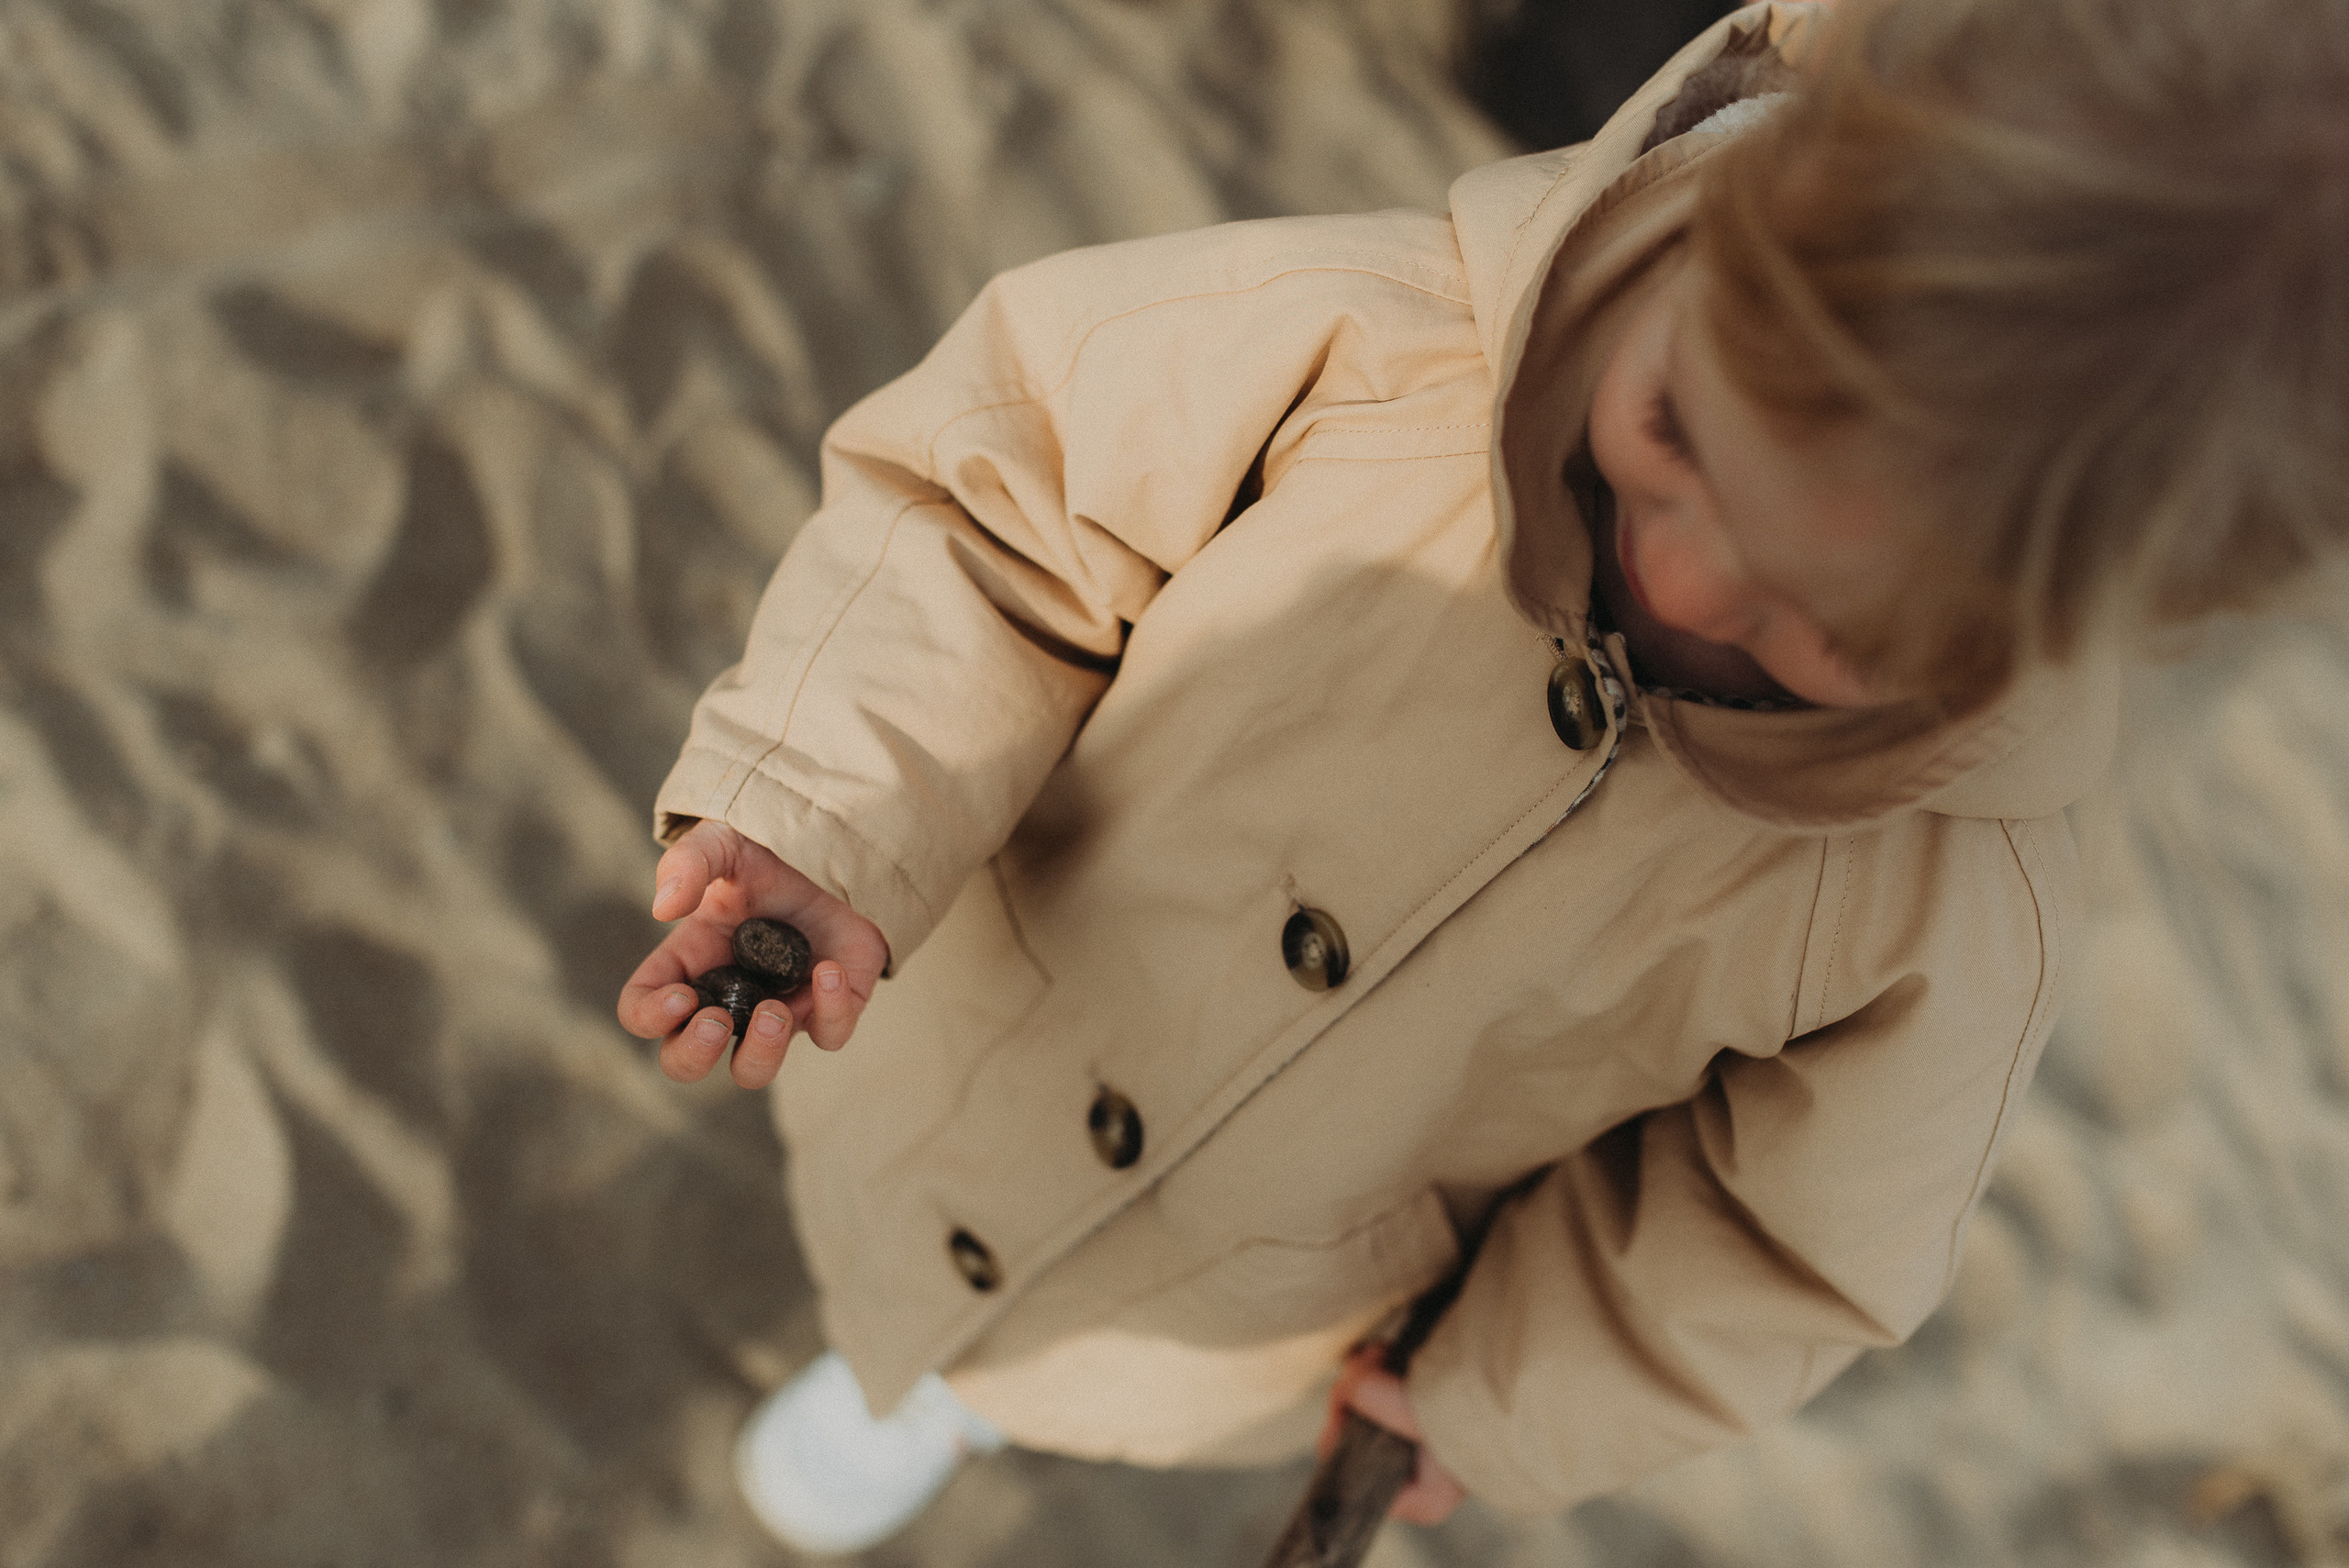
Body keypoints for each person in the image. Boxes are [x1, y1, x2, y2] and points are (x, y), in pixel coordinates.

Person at [618, 0, 2348, 1551]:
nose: (1680, 577)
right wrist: (829, 808)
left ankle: (934, 1399)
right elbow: (994, 513)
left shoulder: (1949, 897)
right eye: (1677, 433)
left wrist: (1495, 1396)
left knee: (1045, 1370)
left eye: (1824, 622)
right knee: (879, 1215)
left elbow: (1773, 1245)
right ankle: (905, 1362)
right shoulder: (1384, 347)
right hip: (946, 1022)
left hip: (1245, 1298)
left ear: (2057, 633)